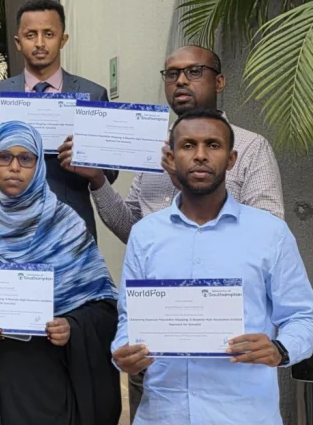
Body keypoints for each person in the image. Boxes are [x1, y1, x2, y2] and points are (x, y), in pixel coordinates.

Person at [56, 45, 285, 419]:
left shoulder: (250, 147)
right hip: (156, 340)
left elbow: (267, 232)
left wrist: (188, 182)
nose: (181, 81)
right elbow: (130, 227)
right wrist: (97, 180)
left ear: (219, 82)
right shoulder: (153, 149)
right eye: (172, 73)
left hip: (226, 345)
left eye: (194, 71)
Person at [112, 109, 313, 425]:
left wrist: (281, 348)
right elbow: (130, 316)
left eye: (213, 145)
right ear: (171, 158)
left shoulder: (270, 233)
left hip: (245, 415)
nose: (200, 155)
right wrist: (123, 351)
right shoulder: (145, 234)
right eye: (188, 145)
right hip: (164, 414)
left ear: (231, 159)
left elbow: (304, 316)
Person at [0, 121, 120, 425]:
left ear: (39, 164)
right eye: (4, 157)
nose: (14, 167)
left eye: (26, 158)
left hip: (48, 388)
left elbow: (103, 308)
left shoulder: (65, 226)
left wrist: (72, 327)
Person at [0, 0, 116, 237]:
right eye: (31, 35)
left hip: (72, 227)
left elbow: (110, 174)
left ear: (63, 39)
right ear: (18, 42)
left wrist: (89, 158)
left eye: (49, 34)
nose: (40, 43)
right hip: (10, 227)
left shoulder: (93, 95)